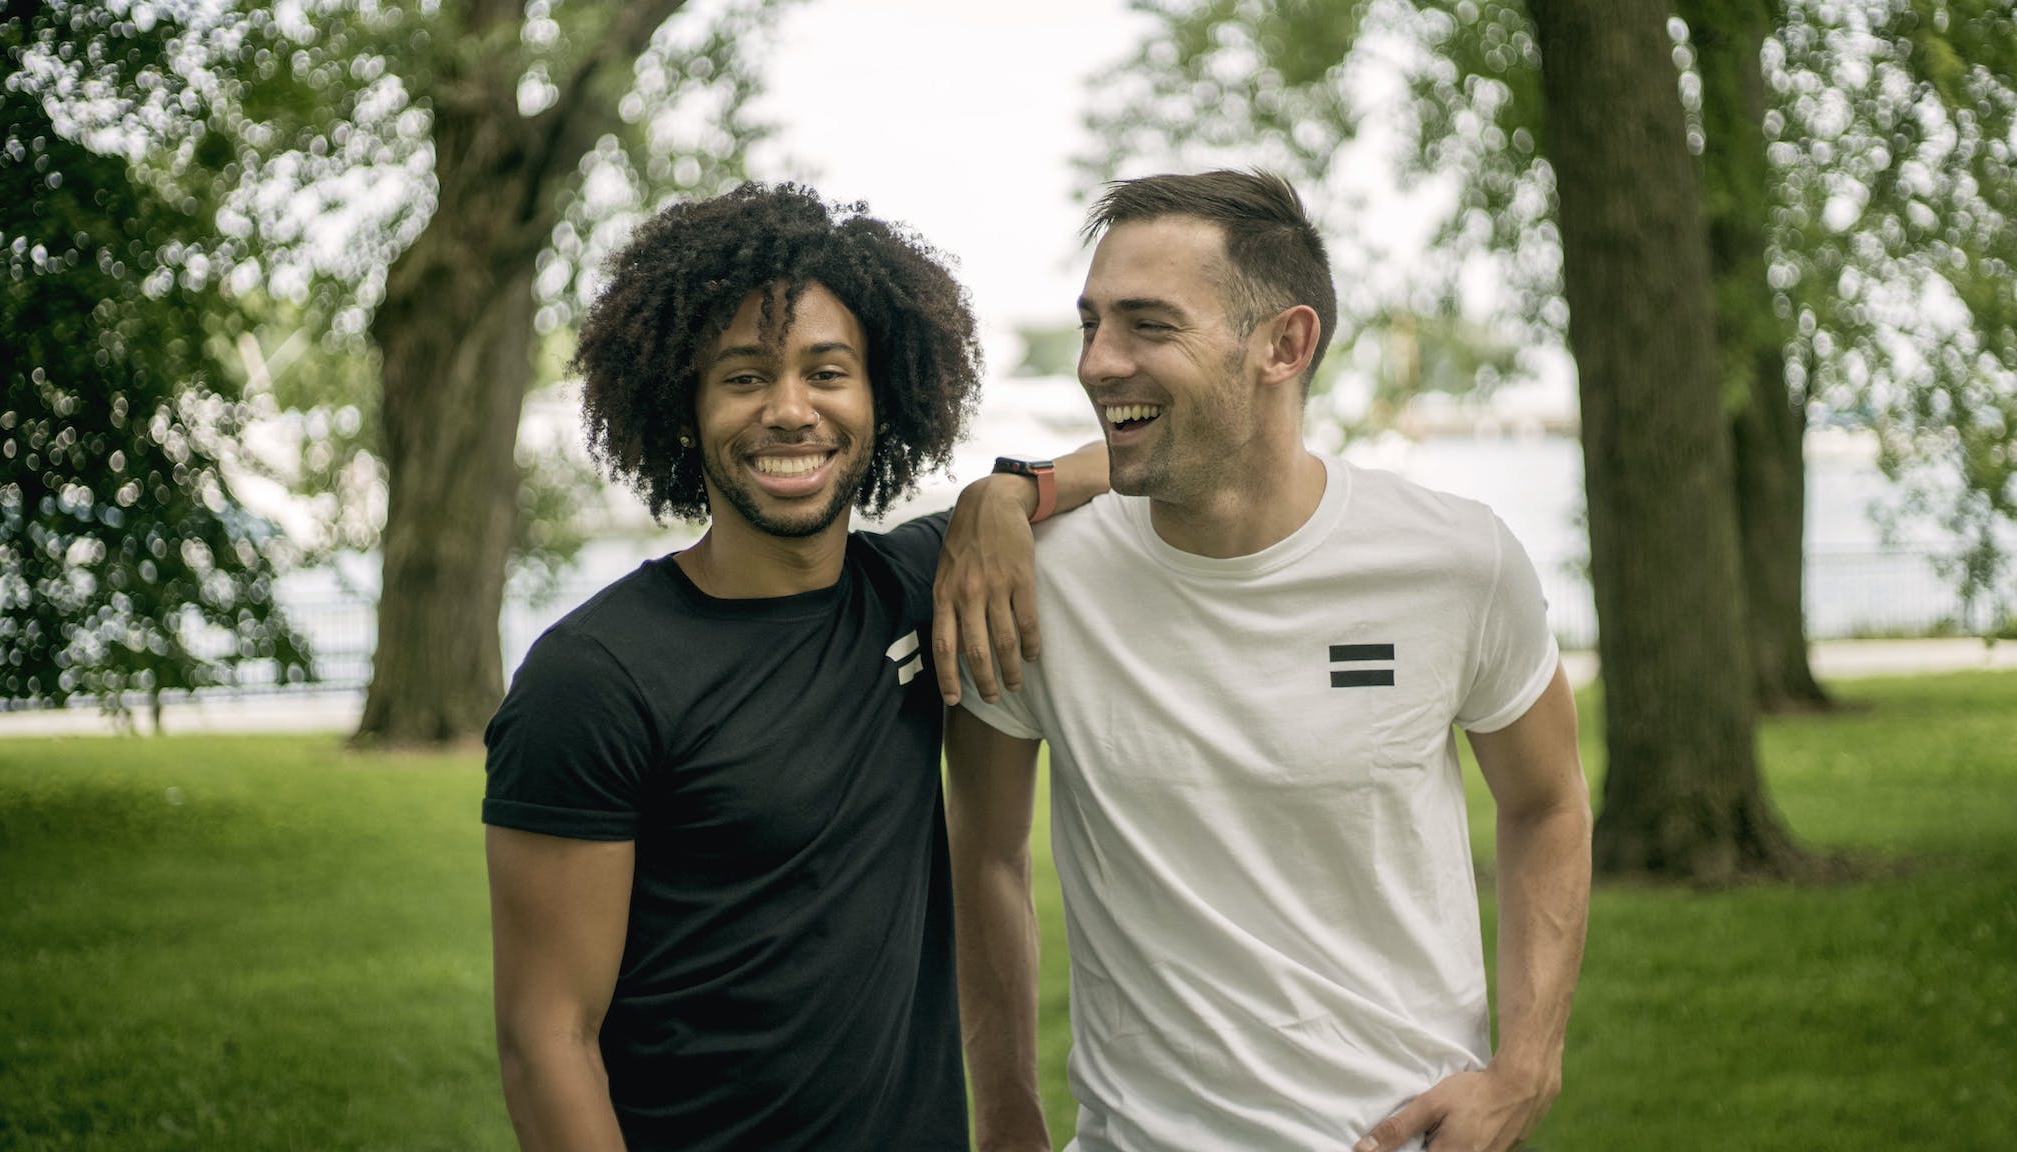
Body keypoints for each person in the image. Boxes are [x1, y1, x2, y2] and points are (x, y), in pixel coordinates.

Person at [946, 170, 1593, 1152]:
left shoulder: (1454, 562)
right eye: (1090, 324)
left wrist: (1525, 1068)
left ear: (1283, 345)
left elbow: (1546, 803)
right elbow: (983, 853)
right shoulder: (1033, 582)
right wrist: (1004, 1121)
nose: (1097, 363)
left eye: (1147, 327)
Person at [481, 182, 1103, 1152]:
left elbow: (1129, 459)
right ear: (683, 411)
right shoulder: (594, 678)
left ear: (879, 399)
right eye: (741, 379)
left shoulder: (916, 587)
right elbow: (545, 1038)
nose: (788, 410)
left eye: (826, 372)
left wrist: (1006, 491)